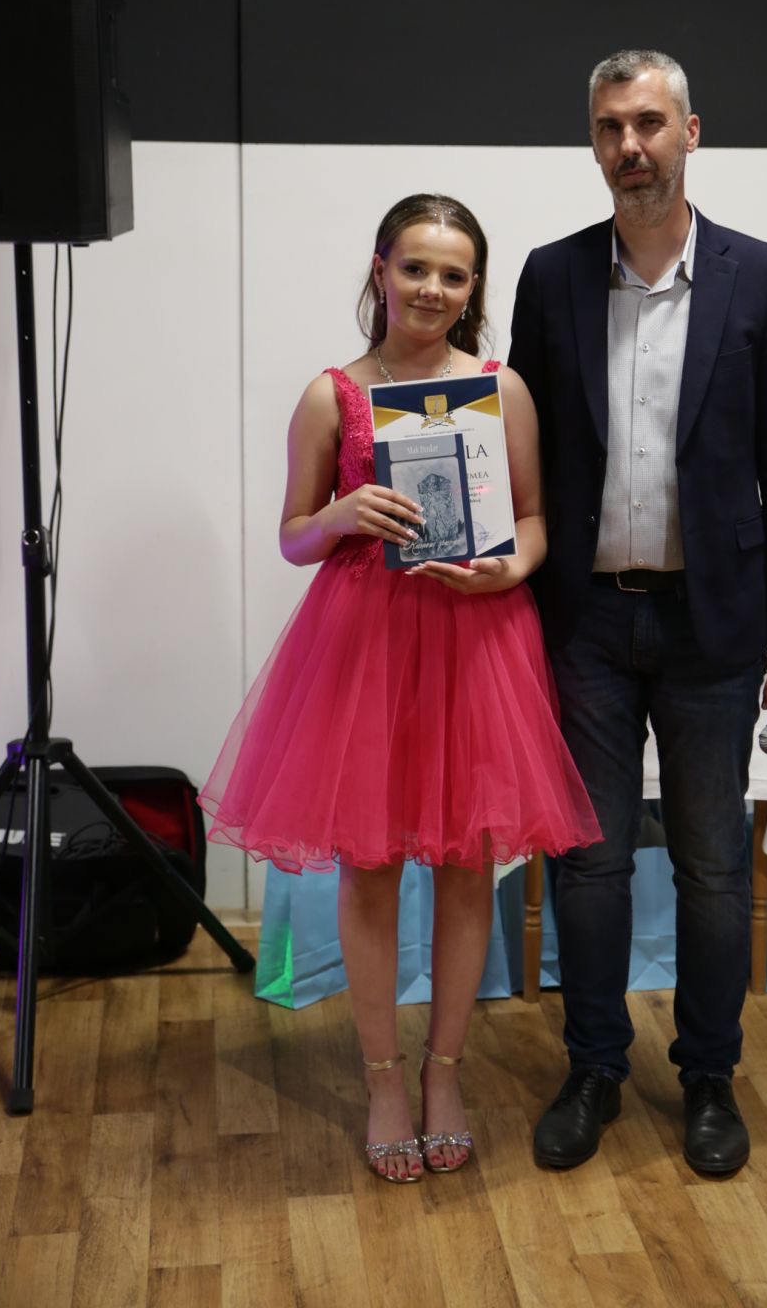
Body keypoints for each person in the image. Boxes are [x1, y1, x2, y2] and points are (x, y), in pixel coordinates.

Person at [199, 193, 601, 1184]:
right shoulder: (332, 395)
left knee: (467, 866)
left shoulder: (500, 389)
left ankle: (443, 1071)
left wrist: (513, 567)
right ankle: (383, 1078)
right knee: (370, 869)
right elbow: (294, 538)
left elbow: (535, 518)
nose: (431, 289)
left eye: (452, 275)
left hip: (477, 641)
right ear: (380, 269)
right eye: (414, 267)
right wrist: (341, 514)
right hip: (365, 650)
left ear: (473, 288)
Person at [508, 49, 767, 1177]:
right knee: (591, 864)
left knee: (710, 866)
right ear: (593, 142)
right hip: (586, 624)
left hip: (715, 626)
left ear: (692, 132)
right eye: (609, 127)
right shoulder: (551, 278)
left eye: (648, 123)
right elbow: (525, 454)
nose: (629, 146)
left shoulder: (765, 279)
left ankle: (707, 1077)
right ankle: (594, 1066)